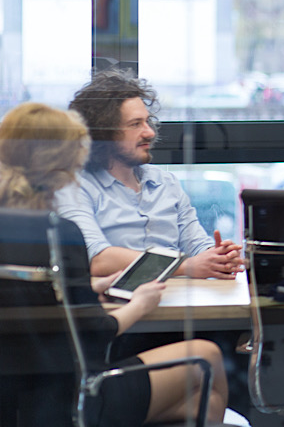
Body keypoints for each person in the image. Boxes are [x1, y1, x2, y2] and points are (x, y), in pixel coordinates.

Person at [0, 102, 229, 426]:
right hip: (79, 394)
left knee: (198, 404)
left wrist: (89, 287)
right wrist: (139, 303)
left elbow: (25, 302)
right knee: (207, 356)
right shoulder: (58, 233)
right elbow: (93, 332)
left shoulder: (13, 224)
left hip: (18, 397)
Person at [54, 69, 243, 278]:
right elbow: (97, 259)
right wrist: (185, 267)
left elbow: (196, 244)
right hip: (119, 303)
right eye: (135, 124)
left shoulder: (165, 182)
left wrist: (218, 257)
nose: (150, 132)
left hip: (178, 298)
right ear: (103, 133)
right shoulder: (75, 187)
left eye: (147, 121)